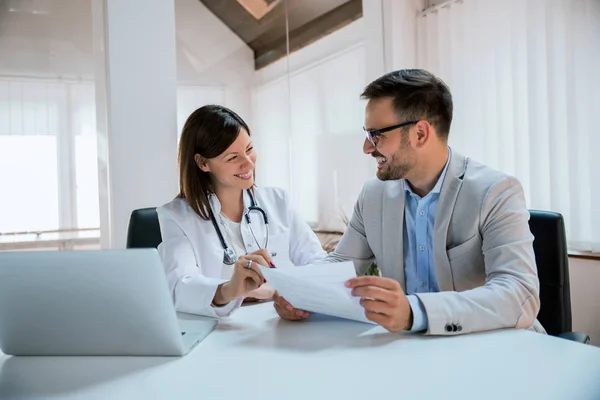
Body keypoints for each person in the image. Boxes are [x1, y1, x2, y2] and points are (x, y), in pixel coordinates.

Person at [273, 69, 546, 335]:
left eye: (376, 134)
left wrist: (416, 312)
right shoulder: (373, 195)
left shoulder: (496, 192)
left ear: (420, 134)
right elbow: (342, 264)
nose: (367, 148)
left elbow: (519, 293)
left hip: (498, 348)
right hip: (413, 352)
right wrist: (296, 289)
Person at [157, 105, 327, 318]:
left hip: (279, 325)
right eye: (232, 158)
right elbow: (179, 289)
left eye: (249, 149)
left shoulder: (279, 201)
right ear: (203, 163)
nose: (248, 164)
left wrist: (293, 294)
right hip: (219, 334)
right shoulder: (175, 217)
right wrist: (229, 289)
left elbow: (318, 262)